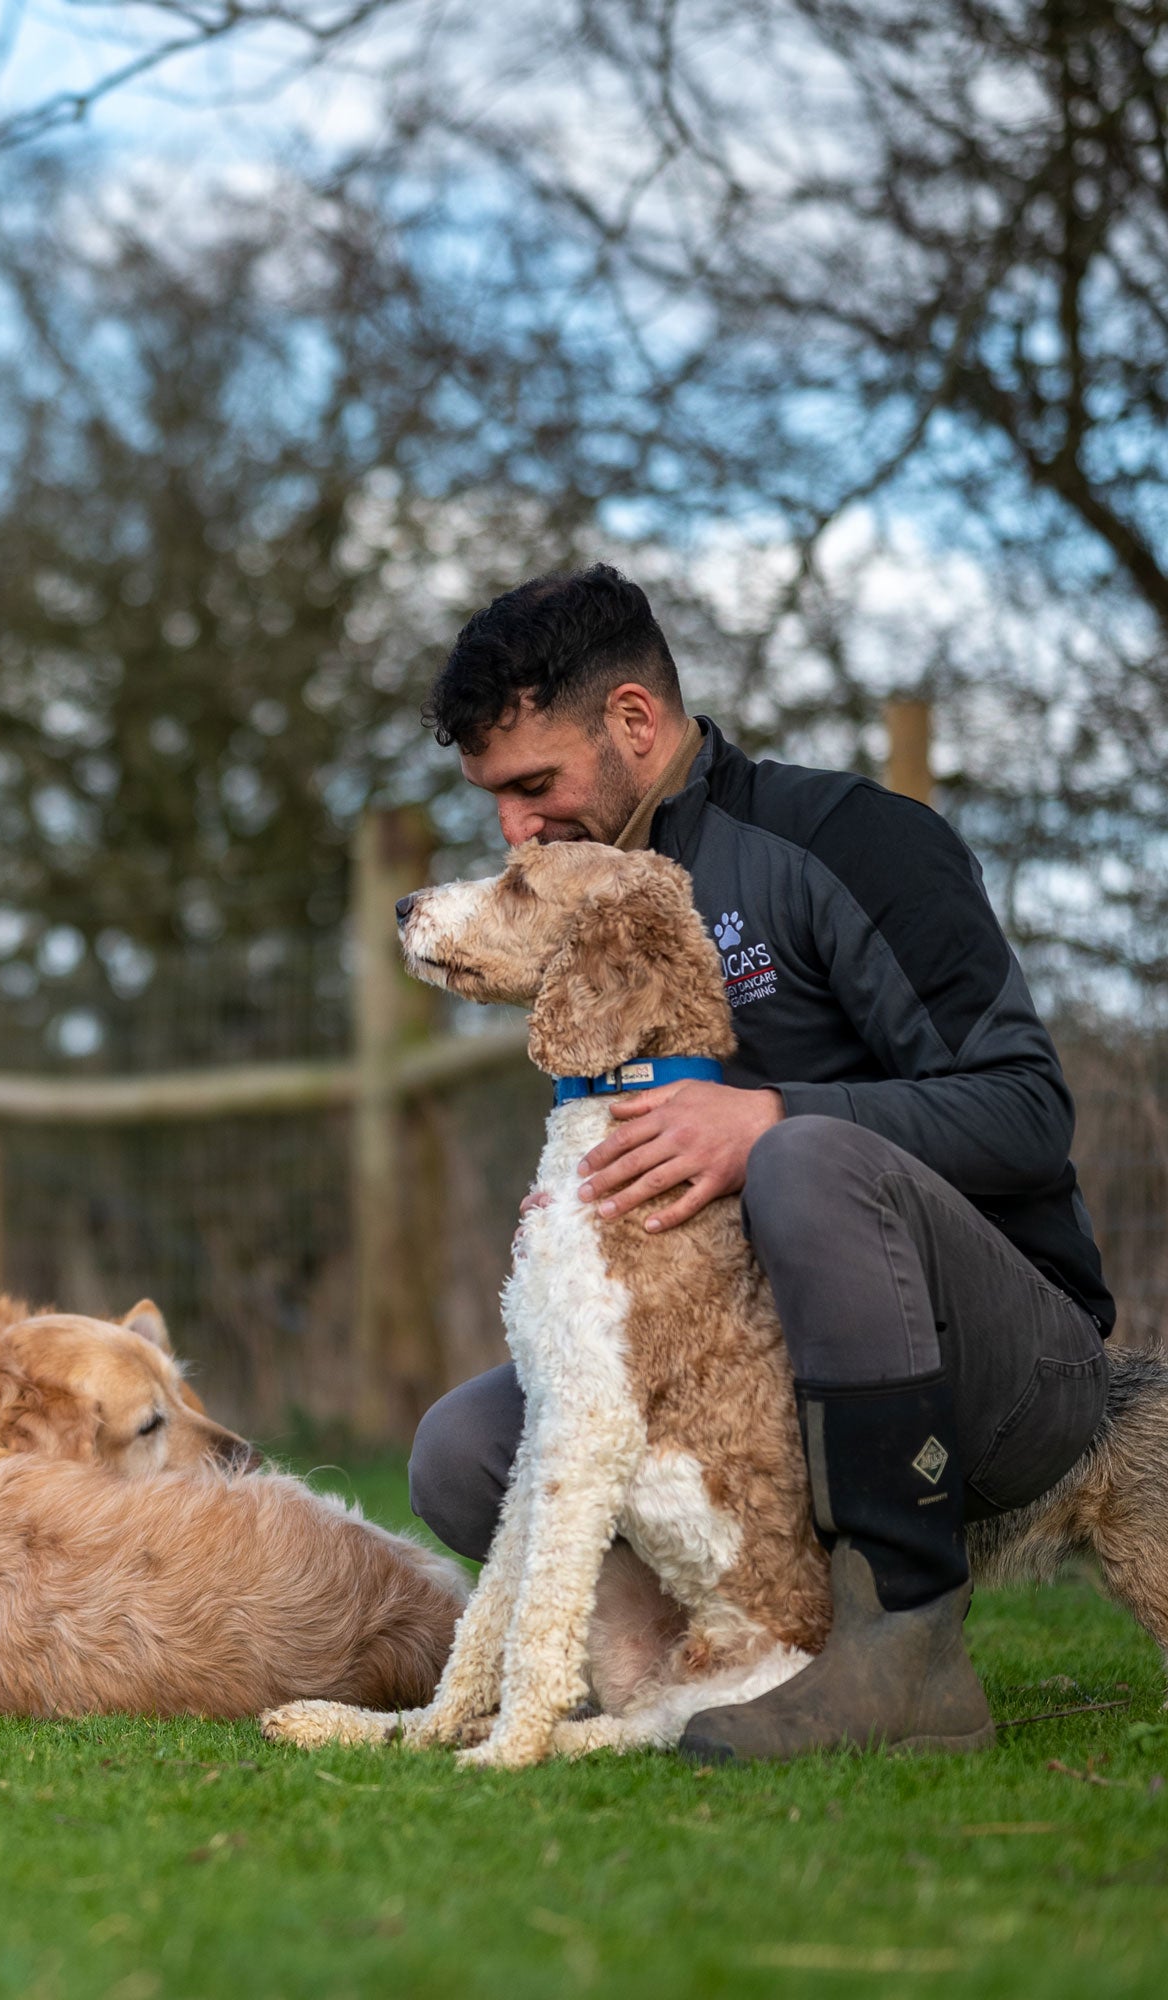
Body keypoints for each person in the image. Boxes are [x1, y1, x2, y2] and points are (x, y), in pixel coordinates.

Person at [407, 566, 1111, 1763]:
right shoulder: (589, 903)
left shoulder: (851, 839)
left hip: (1001, 1366)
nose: (515, 826)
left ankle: (909, 1654)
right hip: (748, 1376)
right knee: (464, 1448)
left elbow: (1028, 1110)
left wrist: (766, 1116)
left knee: (801, 1163)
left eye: (535, 784)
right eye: (494, 798)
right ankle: (726, 1656)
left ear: (635, 719)